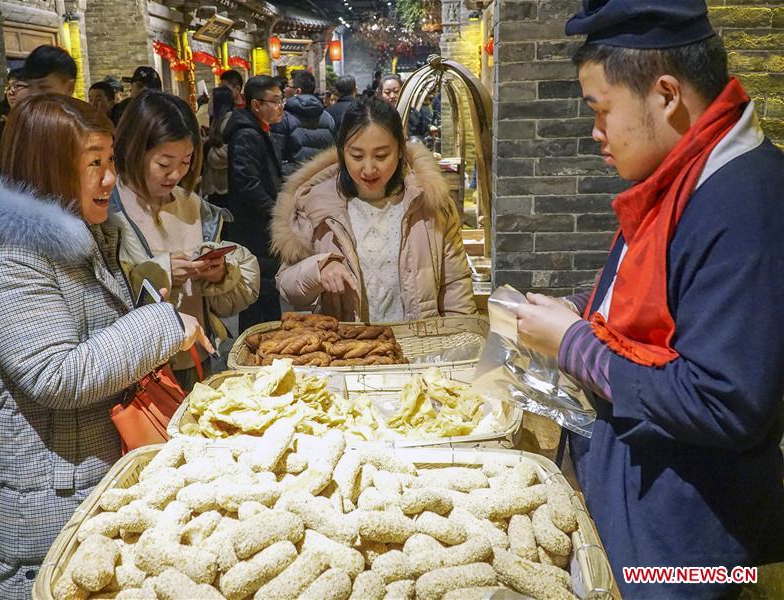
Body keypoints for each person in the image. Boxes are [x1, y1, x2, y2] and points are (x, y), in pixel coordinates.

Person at [516, 1, 784, 598]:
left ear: (665, 94)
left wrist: (574, 343)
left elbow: (726, 401)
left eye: (601, 110)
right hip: (641, 516)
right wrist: (579, 307)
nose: (595, 132)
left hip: (688, 554)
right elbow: (661, 298)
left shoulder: (744, 199)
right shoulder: (683, 175)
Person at [0, 94, 212, 599]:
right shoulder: (3, 261)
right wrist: (163, 325)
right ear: (48, 168)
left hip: (86, 492)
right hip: (38, 522)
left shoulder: (89, 239)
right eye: (93, 164)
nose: (109, 179)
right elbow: (56, 375)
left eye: (111, 161)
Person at [271, 97, 475, 322]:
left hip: (420, 349)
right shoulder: (316, 203)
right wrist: (318, 269)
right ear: (341, 151)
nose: (368, 169)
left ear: (400, 149)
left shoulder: (429, 202)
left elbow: (455, 287)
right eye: (356, 156)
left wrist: (462, 341)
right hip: (347, 349)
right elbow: (287, 286)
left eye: (381, 156)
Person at [111, 90, 259, 386]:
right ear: (132, 149)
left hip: (196, 358)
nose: (176, 174)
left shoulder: (194, 206)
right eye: (164, 164)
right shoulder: (108, 212)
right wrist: (159, 273)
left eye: (186, 161)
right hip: (137, 370)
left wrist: (220, 274)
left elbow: (240, 286)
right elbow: (102, 298)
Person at [224, 75, 285, 331]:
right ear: (256, 105)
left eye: (282, 100)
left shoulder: (258, 130)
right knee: (256, 289)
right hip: (253, 227)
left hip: (262, 222)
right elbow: (247, 184)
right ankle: (256, 347)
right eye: (275, 101)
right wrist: (276, 212)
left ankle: (271, 342)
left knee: (266, 289)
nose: (281, 106)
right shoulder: (247, 135)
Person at [271, 69, 337, 176]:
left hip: (292, 182)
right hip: (321, 179)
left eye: (288, 86)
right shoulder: (327, 117)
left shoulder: (282, 117)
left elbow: (276, 155)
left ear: (298, 91)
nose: (285, 89)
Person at [202, 86, 236, 216]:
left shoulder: (229, 120)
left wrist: (208, 147)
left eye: (211, 100)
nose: (209, 103)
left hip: (224, 186)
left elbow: (230, 152)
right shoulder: (217, 120)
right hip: (216, 185)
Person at [0, 68, 25, 137]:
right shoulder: (2, 116)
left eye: (17, 86)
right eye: (9, 87)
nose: (10, 92)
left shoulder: (41, 117)